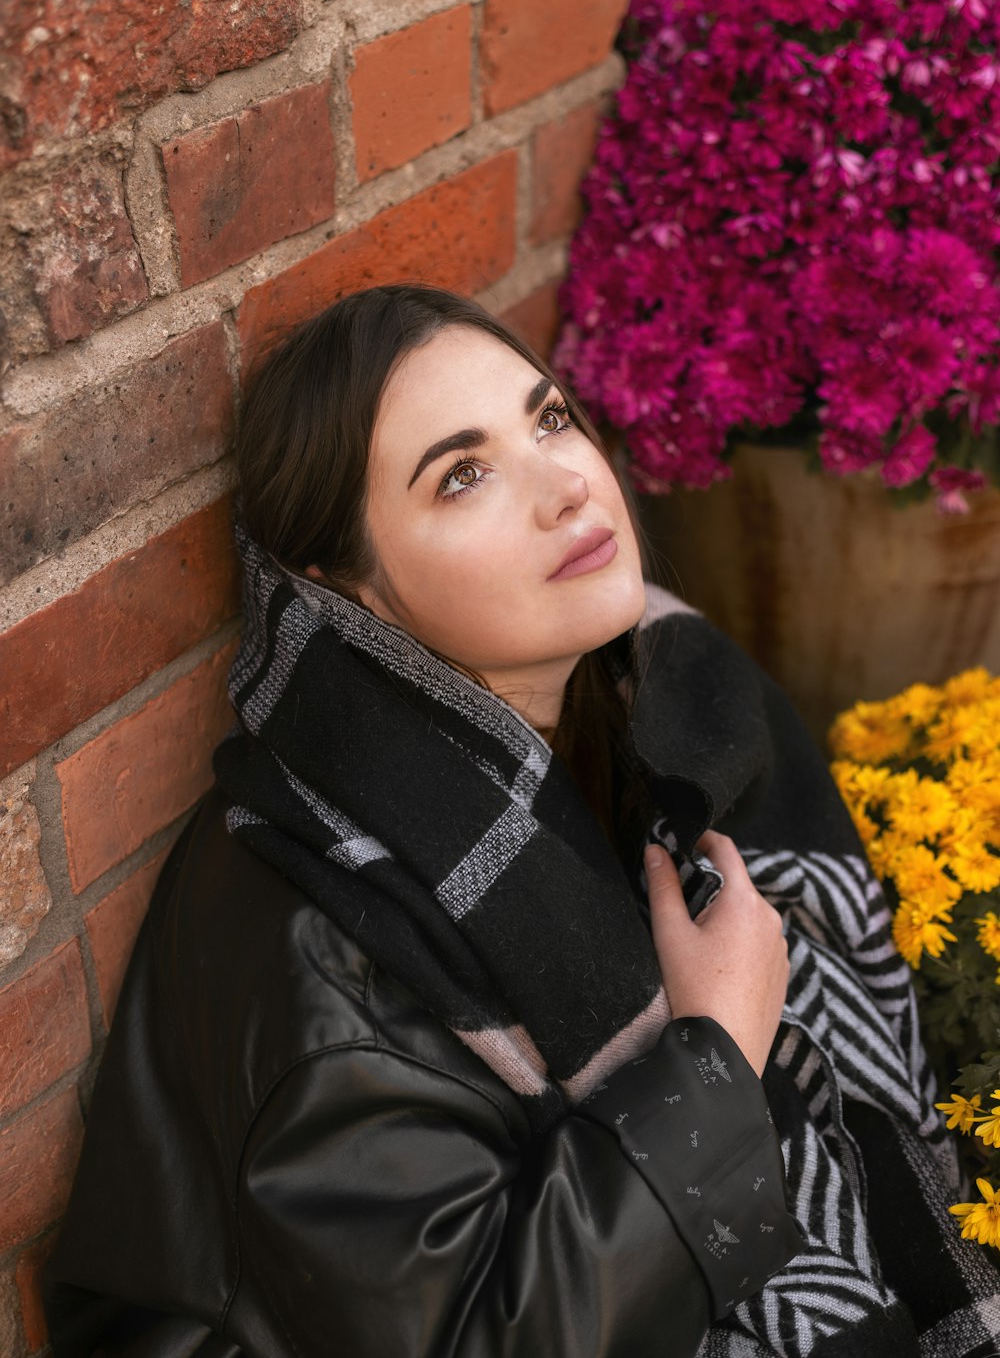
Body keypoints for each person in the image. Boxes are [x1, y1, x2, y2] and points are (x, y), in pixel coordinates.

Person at [45, 285, 1000, 1357]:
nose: (564, 486)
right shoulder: (325, 943)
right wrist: (716, 1055)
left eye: (549, 418)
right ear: (347, 589)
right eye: (462, 476)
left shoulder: (674, 701)